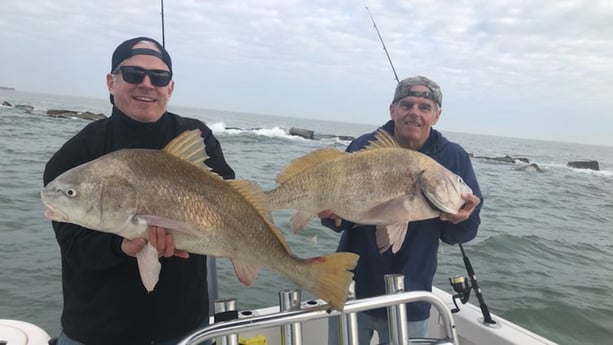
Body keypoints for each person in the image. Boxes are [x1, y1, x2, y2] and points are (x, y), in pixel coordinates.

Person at [43, 36, 235, 345]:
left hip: (186, 330)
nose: (147, 84)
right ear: (111, 81)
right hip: (96, 332)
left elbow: (228, 205)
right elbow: (74, 249)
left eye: (159, 77)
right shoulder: (74, 158)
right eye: (133, 74)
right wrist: (123, 246)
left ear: (169, 88)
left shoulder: (196, 136)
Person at [322, 76, 482, 344]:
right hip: (351, 289)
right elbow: (340, 219)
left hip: (410, 297)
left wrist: (460, 219)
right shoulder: (364, 146)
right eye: (407, 104)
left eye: (425, 107)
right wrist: (332, 216)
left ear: (437, 115)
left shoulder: (453, 157)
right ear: (392, 110)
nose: (414, 113)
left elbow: (462, 233)